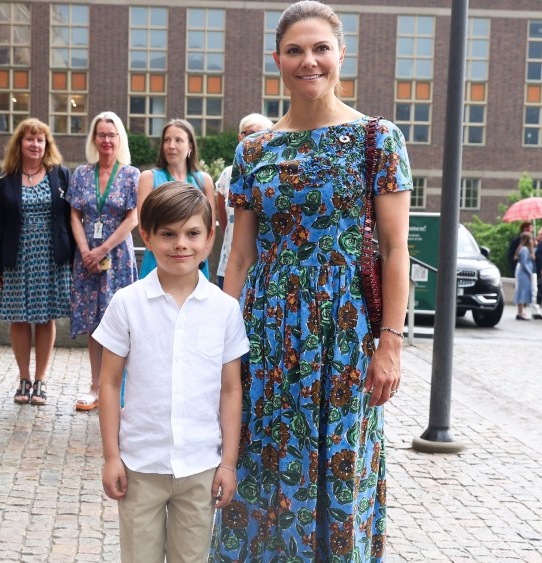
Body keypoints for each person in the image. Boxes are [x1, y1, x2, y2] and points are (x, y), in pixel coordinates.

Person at [210, 2, 411, 560]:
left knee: (341, 470)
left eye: (321, 48)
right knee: (262, 467)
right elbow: (242, 257)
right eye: (296, 50)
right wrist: (222, 344)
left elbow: (397, 251)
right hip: (267, 337)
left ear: (341, 54)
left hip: (343, 336)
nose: (309, 61)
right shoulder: (255, 149)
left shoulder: (376, 140)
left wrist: (390, 344)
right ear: (278, 60)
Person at [95, 182, 248, 563]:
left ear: (210, 237)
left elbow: (230, 390)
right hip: (140, 464)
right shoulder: (126, 304)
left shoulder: (225, 309)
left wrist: (228, 462)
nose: (181, 244)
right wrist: (111, 456)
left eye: (192, 233)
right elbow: (110, 383)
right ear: (146, 236)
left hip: (200, 465)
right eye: (168, 234)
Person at [0, 118, 74, 406]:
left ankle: (41, 379)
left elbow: (70, 218)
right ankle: (23, 378)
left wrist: (73, 259)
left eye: (40, 140)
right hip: (18, 256)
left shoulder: (60, 175)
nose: (35, 144)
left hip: (51, 256)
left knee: (46, 316)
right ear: (20, 144)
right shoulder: (5, 181)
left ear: (46, 144)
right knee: (20, 317)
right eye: (30, 139)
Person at [67, 111, 140, 411]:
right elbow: (74, 214)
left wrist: (103, 249)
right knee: (94, 325)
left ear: (119, 138)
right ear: (94, 139)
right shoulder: (82, 174)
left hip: (117, 256)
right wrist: (86, 250)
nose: (106, 140)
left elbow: (132, 218)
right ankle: (95, 386)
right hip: (86, 258)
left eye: (112, 134)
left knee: (121, 324)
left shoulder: (131, 174)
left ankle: (121, 390)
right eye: (101, 134)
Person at [137, 119, 215, 280]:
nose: (171, 145)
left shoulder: (204, 180)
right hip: (158, 261)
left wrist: (198, 259)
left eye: (178, 140)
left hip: (195, 262)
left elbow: (210, 225)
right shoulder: (149, 178)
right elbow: (143, 224)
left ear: (190, 146)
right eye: (167, 140)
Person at [214, 114, 273, 289]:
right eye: (250, 133)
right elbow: (224, 222)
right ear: (240, 137)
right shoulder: (227, 174)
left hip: (263, 269)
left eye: (264, 134)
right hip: (230, 266)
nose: (257, 139)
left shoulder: (275, 177)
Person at [514, 231, 535, 321]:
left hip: (522, 273)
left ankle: (520, 311)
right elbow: (524, 263)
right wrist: (530, 273)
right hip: (524, 273)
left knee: (522, 291)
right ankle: (520, 312)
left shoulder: (522, 248)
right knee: (522, 291)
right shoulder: (525, 249)